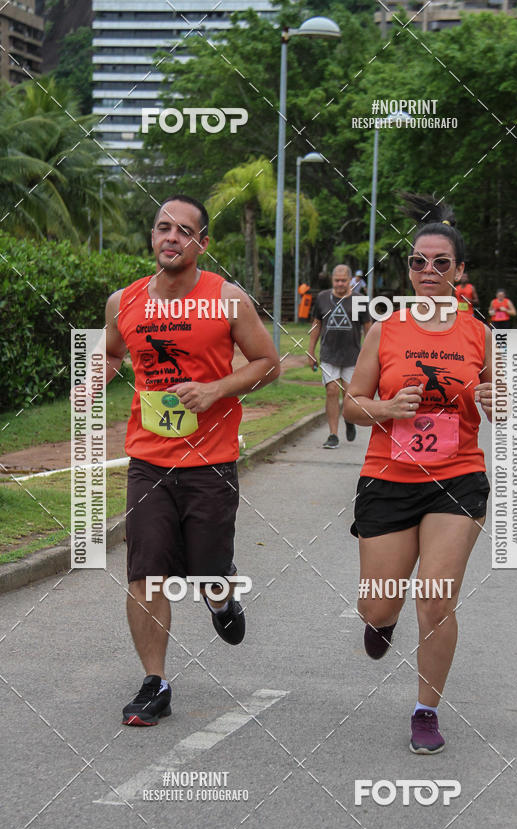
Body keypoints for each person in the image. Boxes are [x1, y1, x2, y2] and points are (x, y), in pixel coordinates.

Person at [102, 195, 280, 725]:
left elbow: (268, 363)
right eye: (162, 228)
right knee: (145, 574)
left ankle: (220, 594)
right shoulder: (124, 302)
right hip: (148, 462)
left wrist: (216, 389)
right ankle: (155, 683)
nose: (171, 238)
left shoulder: (227, 299)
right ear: (152, 238)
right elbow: (113, 349)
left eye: (184, 231)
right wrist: (96, 376)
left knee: (205, 572)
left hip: (211, 463)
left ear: (202, 243)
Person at [343, 194, 493, 754]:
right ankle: (381, 621)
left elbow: (499, 396)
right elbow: (350, 401)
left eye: (441, 263)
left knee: (435, 596)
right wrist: (385, 409)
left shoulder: (478, 334)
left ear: (460, 272)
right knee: (379, 603)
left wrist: (490, 398)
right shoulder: (387, 329)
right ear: (407, 269)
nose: (428, 272)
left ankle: (426, 709)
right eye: (417, 262)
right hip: (388, 475)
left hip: (457, 476)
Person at [307, 264, 371, 448]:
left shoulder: (359, 300)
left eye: (344, 280)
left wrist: (370, 354)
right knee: (332, 391)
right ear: (332, 280)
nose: (340, 284)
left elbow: (368, 327)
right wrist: (310, 351)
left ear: (350, 280)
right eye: (337, 280)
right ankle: (333, 434)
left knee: (349, 395)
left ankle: (349, 420)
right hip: (329, 353)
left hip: (352, 355)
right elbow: (316, 324)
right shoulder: (322, 298)